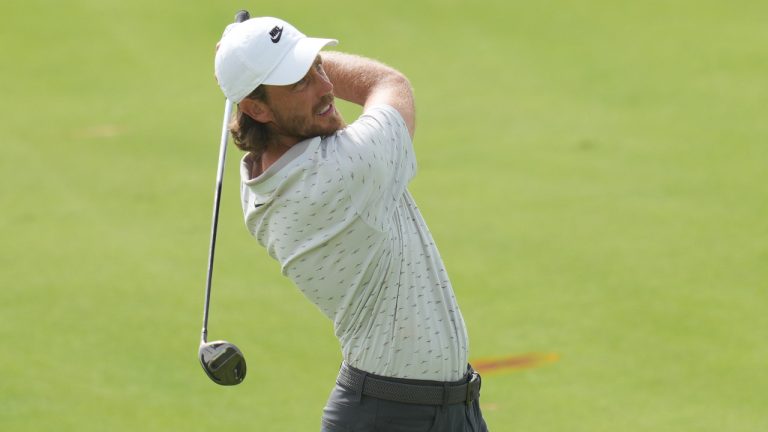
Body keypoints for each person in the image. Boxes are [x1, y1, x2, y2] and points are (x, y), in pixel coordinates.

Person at [214, 16, 489, 432]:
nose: (326, 87)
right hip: (396, 416)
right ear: (257, 108)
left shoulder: (260, 175)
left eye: (319, 66)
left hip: (430, 409)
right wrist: (245, 60)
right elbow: (388, 83)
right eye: (299, 83)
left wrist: (247, 63)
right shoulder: (342, 172)